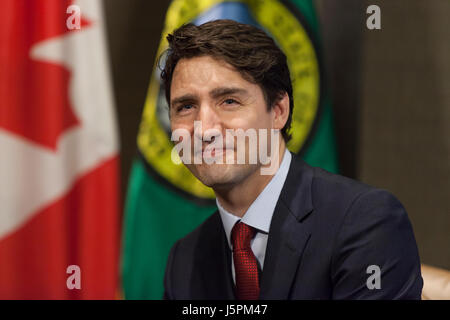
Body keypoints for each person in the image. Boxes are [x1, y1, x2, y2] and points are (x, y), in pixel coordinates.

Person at [161, 19, 423, 299]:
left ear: (278, 111)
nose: (205, 129)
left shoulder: (366, 223)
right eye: (186, 106)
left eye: (229, 101)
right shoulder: (184, 259)